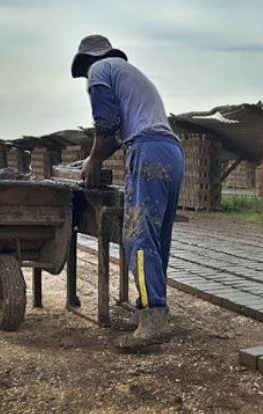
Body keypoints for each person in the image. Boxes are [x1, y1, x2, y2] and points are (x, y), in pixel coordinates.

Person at [71, 35, 184, 350]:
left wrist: (93, 161)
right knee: (156, 236)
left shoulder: (99, 72)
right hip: (171, 151)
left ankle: (153, 318)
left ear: (87, 61)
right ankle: (154, 309)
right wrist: (94, 158)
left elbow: (106, 129)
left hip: (148, 150)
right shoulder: (129, 73)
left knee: (137, 235)